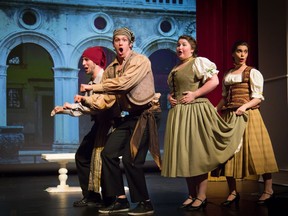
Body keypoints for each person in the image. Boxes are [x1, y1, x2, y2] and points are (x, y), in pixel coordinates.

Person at [75, 27, 162, 215]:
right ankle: (120, 199)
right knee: (108, 153)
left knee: (131, 159)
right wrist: (86, 99)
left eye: (124, 39)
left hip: (148, 114)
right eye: (117, 40)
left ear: (130, 43)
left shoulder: (141, 61)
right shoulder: (111, 69)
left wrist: (95, 87)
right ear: (113, 44)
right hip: (130, 116)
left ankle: (145, 202)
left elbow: (124, 84)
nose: (120, 43)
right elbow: (108, 99)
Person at [161, 35, 248, 211]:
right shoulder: (176, 67)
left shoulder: (198, 62)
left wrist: (194, 94)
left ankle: (201, 195)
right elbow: (173, 90)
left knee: (196, 154)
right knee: (185, 155)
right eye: (178, 45)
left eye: (184, 45)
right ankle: (191, 194)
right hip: (179, 114)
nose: (180, 47)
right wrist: (170, 97)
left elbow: (214, 81)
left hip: (194, 111)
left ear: (192, 49)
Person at [214, 40, 279, 206]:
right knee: (228, 153)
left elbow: (258, 97)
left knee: (259, 152)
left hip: (249, 115)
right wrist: (216, 109)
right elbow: (224, 97)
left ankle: (268, 190)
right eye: (239, 51)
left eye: (245, 51)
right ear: (233, 53)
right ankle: (233, 192)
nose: (242, 54)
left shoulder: (253, 73)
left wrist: (244, 106)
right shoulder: (228, 74)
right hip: (230, 115)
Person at [51, 46, 113, 207]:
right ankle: (92, 196)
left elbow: (98, 105)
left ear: (96, 61)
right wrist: (64, 110)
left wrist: (71, 106)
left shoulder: (105, 79)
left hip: (109, 125)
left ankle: (109, 198)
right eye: (83, 60)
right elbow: (83, 110)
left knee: (103, 160)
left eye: (87, 60)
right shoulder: (92, 82)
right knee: (84, 157)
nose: (83, 63)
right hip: (99, 125)